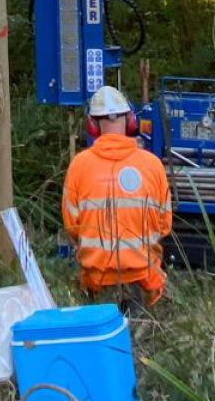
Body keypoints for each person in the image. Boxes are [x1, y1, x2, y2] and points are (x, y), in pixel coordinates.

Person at [61, 85, 172, 309]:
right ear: (131, 122)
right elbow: (164, 225)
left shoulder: (79, 166)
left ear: (92, 125)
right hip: (143, 281)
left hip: (97, 283)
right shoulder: (153, 165)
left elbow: (72, 227)